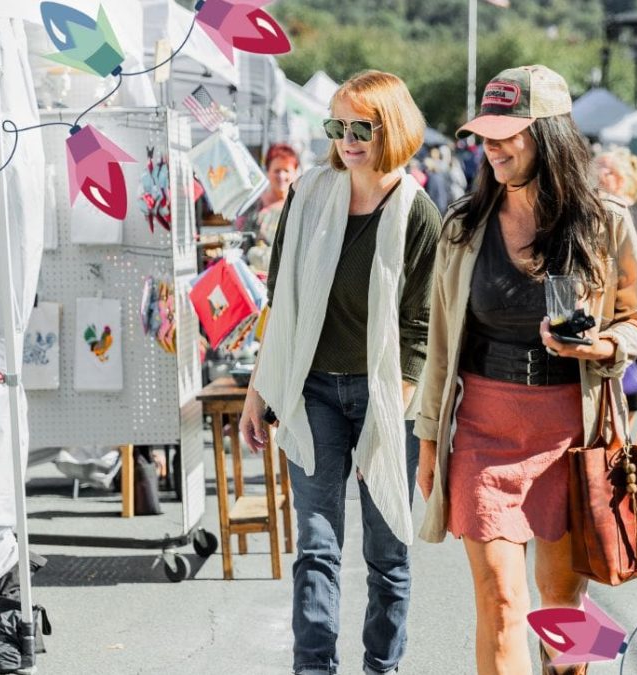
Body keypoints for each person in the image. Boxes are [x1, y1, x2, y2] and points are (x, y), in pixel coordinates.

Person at [414, 65, 637, 675]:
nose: (491, 147)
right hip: (483, 432)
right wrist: (429, 439)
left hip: (572, 435)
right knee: (500, 602)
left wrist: (602, 347)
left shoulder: (605, 221)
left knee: (562, 609)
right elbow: (440, 343)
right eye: (485, 136)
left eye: (505, 134)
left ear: (548, 134)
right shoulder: (463, 227)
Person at [239, 70, 442, 675]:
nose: (347, 140)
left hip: (390, 398)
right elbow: (280, 301)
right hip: (313, 394)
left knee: (387, 552)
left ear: (392, 129)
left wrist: (384, 423)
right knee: (317, 546)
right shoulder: (307, 196)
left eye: (362, 128)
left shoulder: (418, 214)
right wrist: (257, 392)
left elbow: (419, 332)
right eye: (337, 126)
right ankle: (313, 667)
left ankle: (382, 666)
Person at [593, 149, 637, 419]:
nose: (593, 173)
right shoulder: (618, 211)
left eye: (601, 168)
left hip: (622, 328)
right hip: (622, 329)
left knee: (620, 410)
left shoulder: (620, 214)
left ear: (617, 178)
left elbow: (630, 282)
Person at [236, 143, 301, 273]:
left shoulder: (300, 207)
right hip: (255, 276)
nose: (281, 176)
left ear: (295, 173)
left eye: (286, 170)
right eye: (277, 170)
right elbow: (241, 243)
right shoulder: (253, 206)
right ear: (268, 172)